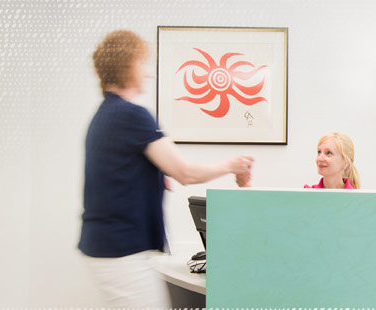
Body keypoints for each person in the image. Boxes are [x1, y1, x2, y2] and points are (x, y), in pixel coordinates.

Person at [78, 30, 254, 308]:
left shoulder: (106, 115)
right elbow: (185, 173)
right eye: (143, 63)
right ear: (128, 65)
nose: (147, 73)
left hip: (107, 245)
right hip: (122, 250)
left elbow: (120, 173)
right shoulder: (132, 115)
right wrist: (232, 165)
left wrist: (153, 177)